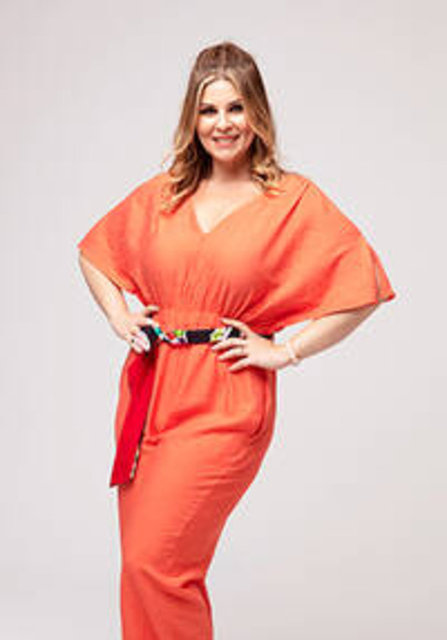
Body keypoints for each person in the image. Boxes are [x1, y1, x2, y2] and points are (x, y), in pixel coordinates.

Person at [77, 41, 396, 640]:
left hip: (225, 400)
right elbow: (95, 251)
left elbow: (364, 286)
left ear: (257, 114)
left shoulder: (289, 199)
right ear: (191, 118)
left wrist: (286, 350)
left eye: (235, 108)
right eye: (208, 110)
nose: (222, 124)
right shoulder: (167, 193)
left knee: (158, 565)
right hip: (152, 395)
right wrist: (120, 316)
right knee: (140, 569)